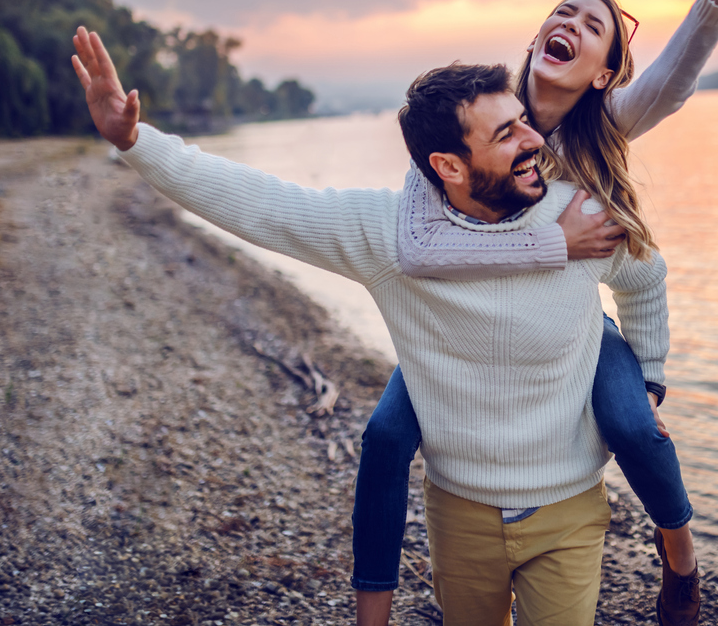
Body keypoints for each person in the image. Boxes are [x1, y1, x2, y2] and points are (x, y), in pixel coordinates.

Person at [353, 0, 718, 626]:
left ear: (604, 71)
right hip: (459, 329)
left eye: (592, 27)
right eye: (563, 12)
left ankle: (681, 564)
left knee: (636, 425)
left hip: (567, 324)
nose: (571, 24)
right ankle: (373, 611)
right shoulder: (476, 117)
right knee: (386, 437)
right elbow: (418, 243)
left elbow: (673, 83)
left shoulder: (600, 127)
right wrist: (543, 243)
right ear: (537, 36)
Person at [71, 43, 673, 625]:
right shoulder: (389, 236)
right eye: (506, 134)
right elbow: (261, 204)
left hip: (568, 511)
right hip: (459, 513)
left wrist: (647, 381)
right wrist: (134, 141)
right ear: (448, 167)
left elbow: (645, 280)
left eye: (522, 121)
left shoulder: (580, 217)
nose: (535, 140)